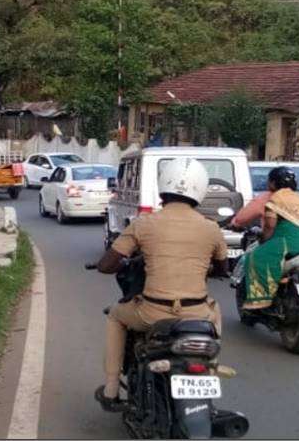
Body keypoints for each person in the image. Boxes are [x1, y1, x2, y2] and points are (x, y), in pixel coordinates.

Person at [94, 157, 228, 412]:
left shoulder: (145, 223)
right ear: (200, 190)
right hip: (197, 313)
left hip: (151, 313)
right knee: (215, 309)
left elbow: (106, 265)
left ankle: (111, 388)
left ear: (163, 186)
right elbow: (222, 269)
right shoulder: (211, 228)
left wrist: (127, 263)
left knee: (115, 315)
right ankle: (208, 371)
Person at [230, 166, 299, 310]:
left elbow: (269, 226)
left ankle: (260, 299)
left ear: (272, 183)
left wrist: (264, 240)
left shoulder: (273, 198)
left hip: (288, 243)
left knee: (256, 256)